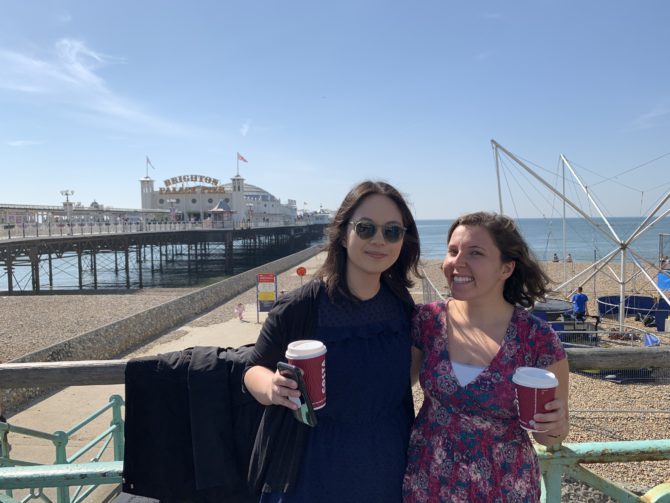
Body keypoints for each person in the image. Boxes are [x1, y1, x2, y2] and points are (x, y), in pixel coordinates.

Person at [244, 180, 421, 502]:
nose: (379, 241)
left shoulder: (401, 304)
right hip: (311, 464)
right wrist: (272, 388)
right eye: (366, 228)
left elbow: (406, 372)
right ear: (342, 233)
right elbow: (254, 369)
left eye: (392, 231)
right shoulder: (301, 307)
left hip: (387, 459)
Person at [403, 211, 569, 502]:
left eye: (475, 253)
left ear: (506, 269)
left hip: (504, 487)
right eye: (453, 251)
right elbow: (391, 385)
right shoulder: (426, 322)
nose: (457, 262)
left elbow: (549, 436)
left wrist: (555, 426)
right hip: (429, 481)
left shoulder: (537, 339)